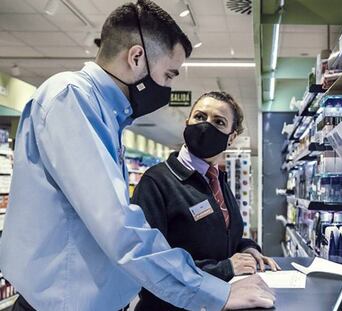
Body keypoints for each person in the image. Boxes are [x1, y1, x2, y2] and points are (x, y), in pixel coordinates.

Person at [0, 1, 275, 310]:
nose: (168, 86)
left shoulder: (107, 114)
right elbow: (119, 225)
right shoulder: (72, 98)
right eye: (169, 74)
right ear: (137, 57)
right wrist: (212, 291)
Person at [131, 91, 281, 310]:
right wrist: (226, 268)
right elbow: (152, 265)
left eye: (218, 122)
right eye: (200, 117)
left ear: (231, 137)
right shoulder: (156, 182)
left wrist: (248, 248)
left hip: (216, 302)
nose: (206, 125)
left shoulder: (217, 178)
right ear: (187, 123)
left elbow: (224, 235)